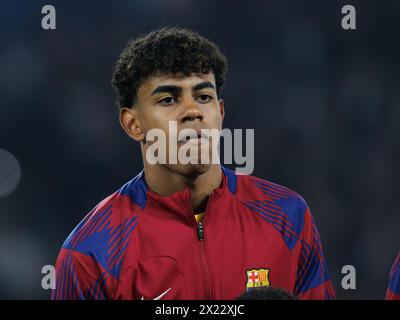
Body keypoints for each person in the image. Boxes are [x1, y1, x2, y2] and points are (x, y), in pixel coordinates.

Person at [51, 27, 335, 300]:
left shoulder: (288, 216)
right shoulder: (90, 252)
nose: (192, 112)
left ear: (220, 112)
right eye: (168, 99)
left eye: (203, 96)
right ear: (132, 123)